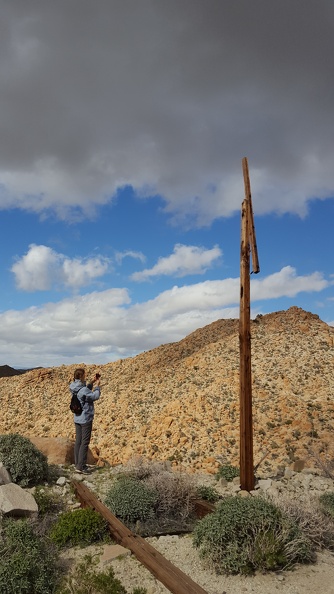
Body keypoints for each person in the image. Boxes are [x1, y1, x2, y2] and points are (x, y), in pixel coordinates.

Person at [70, 367, 101, 474]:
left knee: (78, 441)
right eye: (84, 375)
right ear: (81, 376)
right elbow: (94, 396)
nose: (85, 376)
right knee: (85, 442)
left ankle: (77, 464)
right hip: (85, 419)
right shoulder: (83, 390)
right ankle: (81, 467)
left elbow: (83, 391)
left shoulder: (73, 386)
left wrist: (92, 382)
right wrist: (97, 387)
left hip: (77, 418)